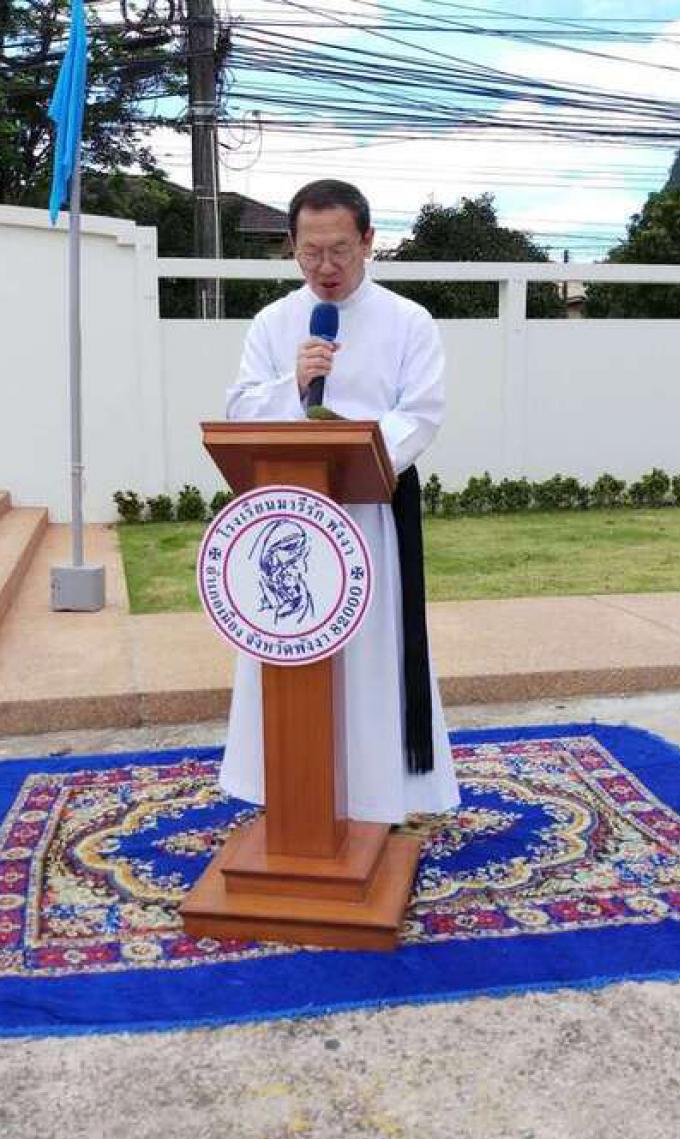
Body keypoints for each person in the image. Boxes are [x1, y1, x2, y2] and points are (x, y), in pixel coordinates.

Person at [218, 179, 460, 823]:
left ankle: (378, 795)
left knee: (374, 652)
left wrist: (363, 459)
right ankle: (290, 791)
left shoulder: (408, 321)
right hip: (291, 514)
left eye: (340, 251)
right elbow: (240, 409)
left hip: (372, 510)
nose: (325, 267)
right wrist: (292, 386)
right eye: (310, 252)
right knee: (289, 635)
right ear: (292, 246)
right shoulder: (274, 322)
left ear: (368, 241)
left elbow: (422, 413)